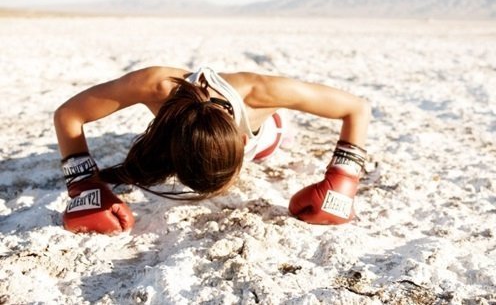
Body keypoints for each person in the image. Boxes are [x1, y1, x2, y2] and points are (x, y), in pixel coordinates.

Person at [53, 65, 370, 234]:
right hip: (191, 131)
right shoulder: (154, 85)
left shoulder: (263, 92)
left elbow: (357, 108)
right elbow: (67, 115)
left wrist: (344, 181)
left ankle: (274, 136)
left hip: (267, 131)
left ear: (240, 143)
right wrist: (83, 185)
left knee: (276, 142)